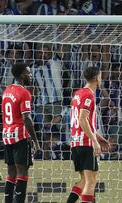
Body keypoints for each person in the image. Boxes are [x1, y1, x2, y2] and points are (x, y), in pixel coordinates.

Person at [67, 66, 109, 203]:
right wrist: (94, 142)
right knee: (91, 181)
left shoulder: (77, 94)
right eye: (101, 76)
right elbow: (82, 119)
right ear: (97, 78)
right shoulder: (88, 95)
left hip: (76, 142)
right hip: (86, 144)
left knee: (85, 180)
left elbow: (83, 123)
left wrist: (98, 137)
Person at [1, 63, 40, 203]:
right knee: (22, 173)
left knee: (11, 173)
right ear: (22, 74)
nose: (30, 75)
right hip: (20, 137)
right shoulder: (24, 93)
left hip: (7, 135)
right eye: (28, 73)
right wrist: (36, 141)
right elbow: (26, 118)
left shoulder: (6, 91)